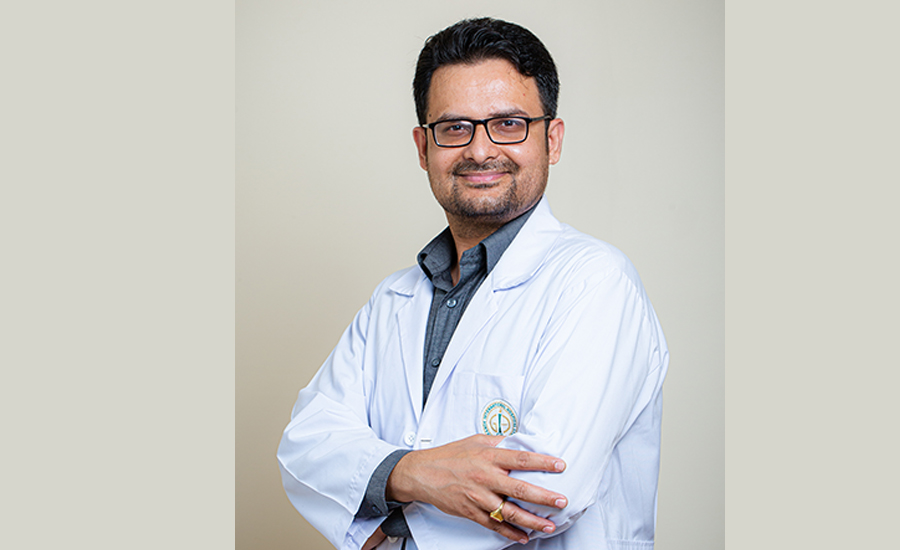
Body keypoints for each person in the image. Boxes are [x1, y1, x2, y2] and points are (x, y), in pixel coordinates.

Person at [277, 17, 669, 550]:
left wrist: (377, 496)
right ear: (423, 147)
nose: (480, 150)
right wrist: (418, 473)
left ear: (552, 139)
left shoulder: (596, 283)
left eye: (508, 124)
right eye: (455, 127)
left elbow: (546, 491)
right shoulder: (393, 300)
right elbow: (305, 447)